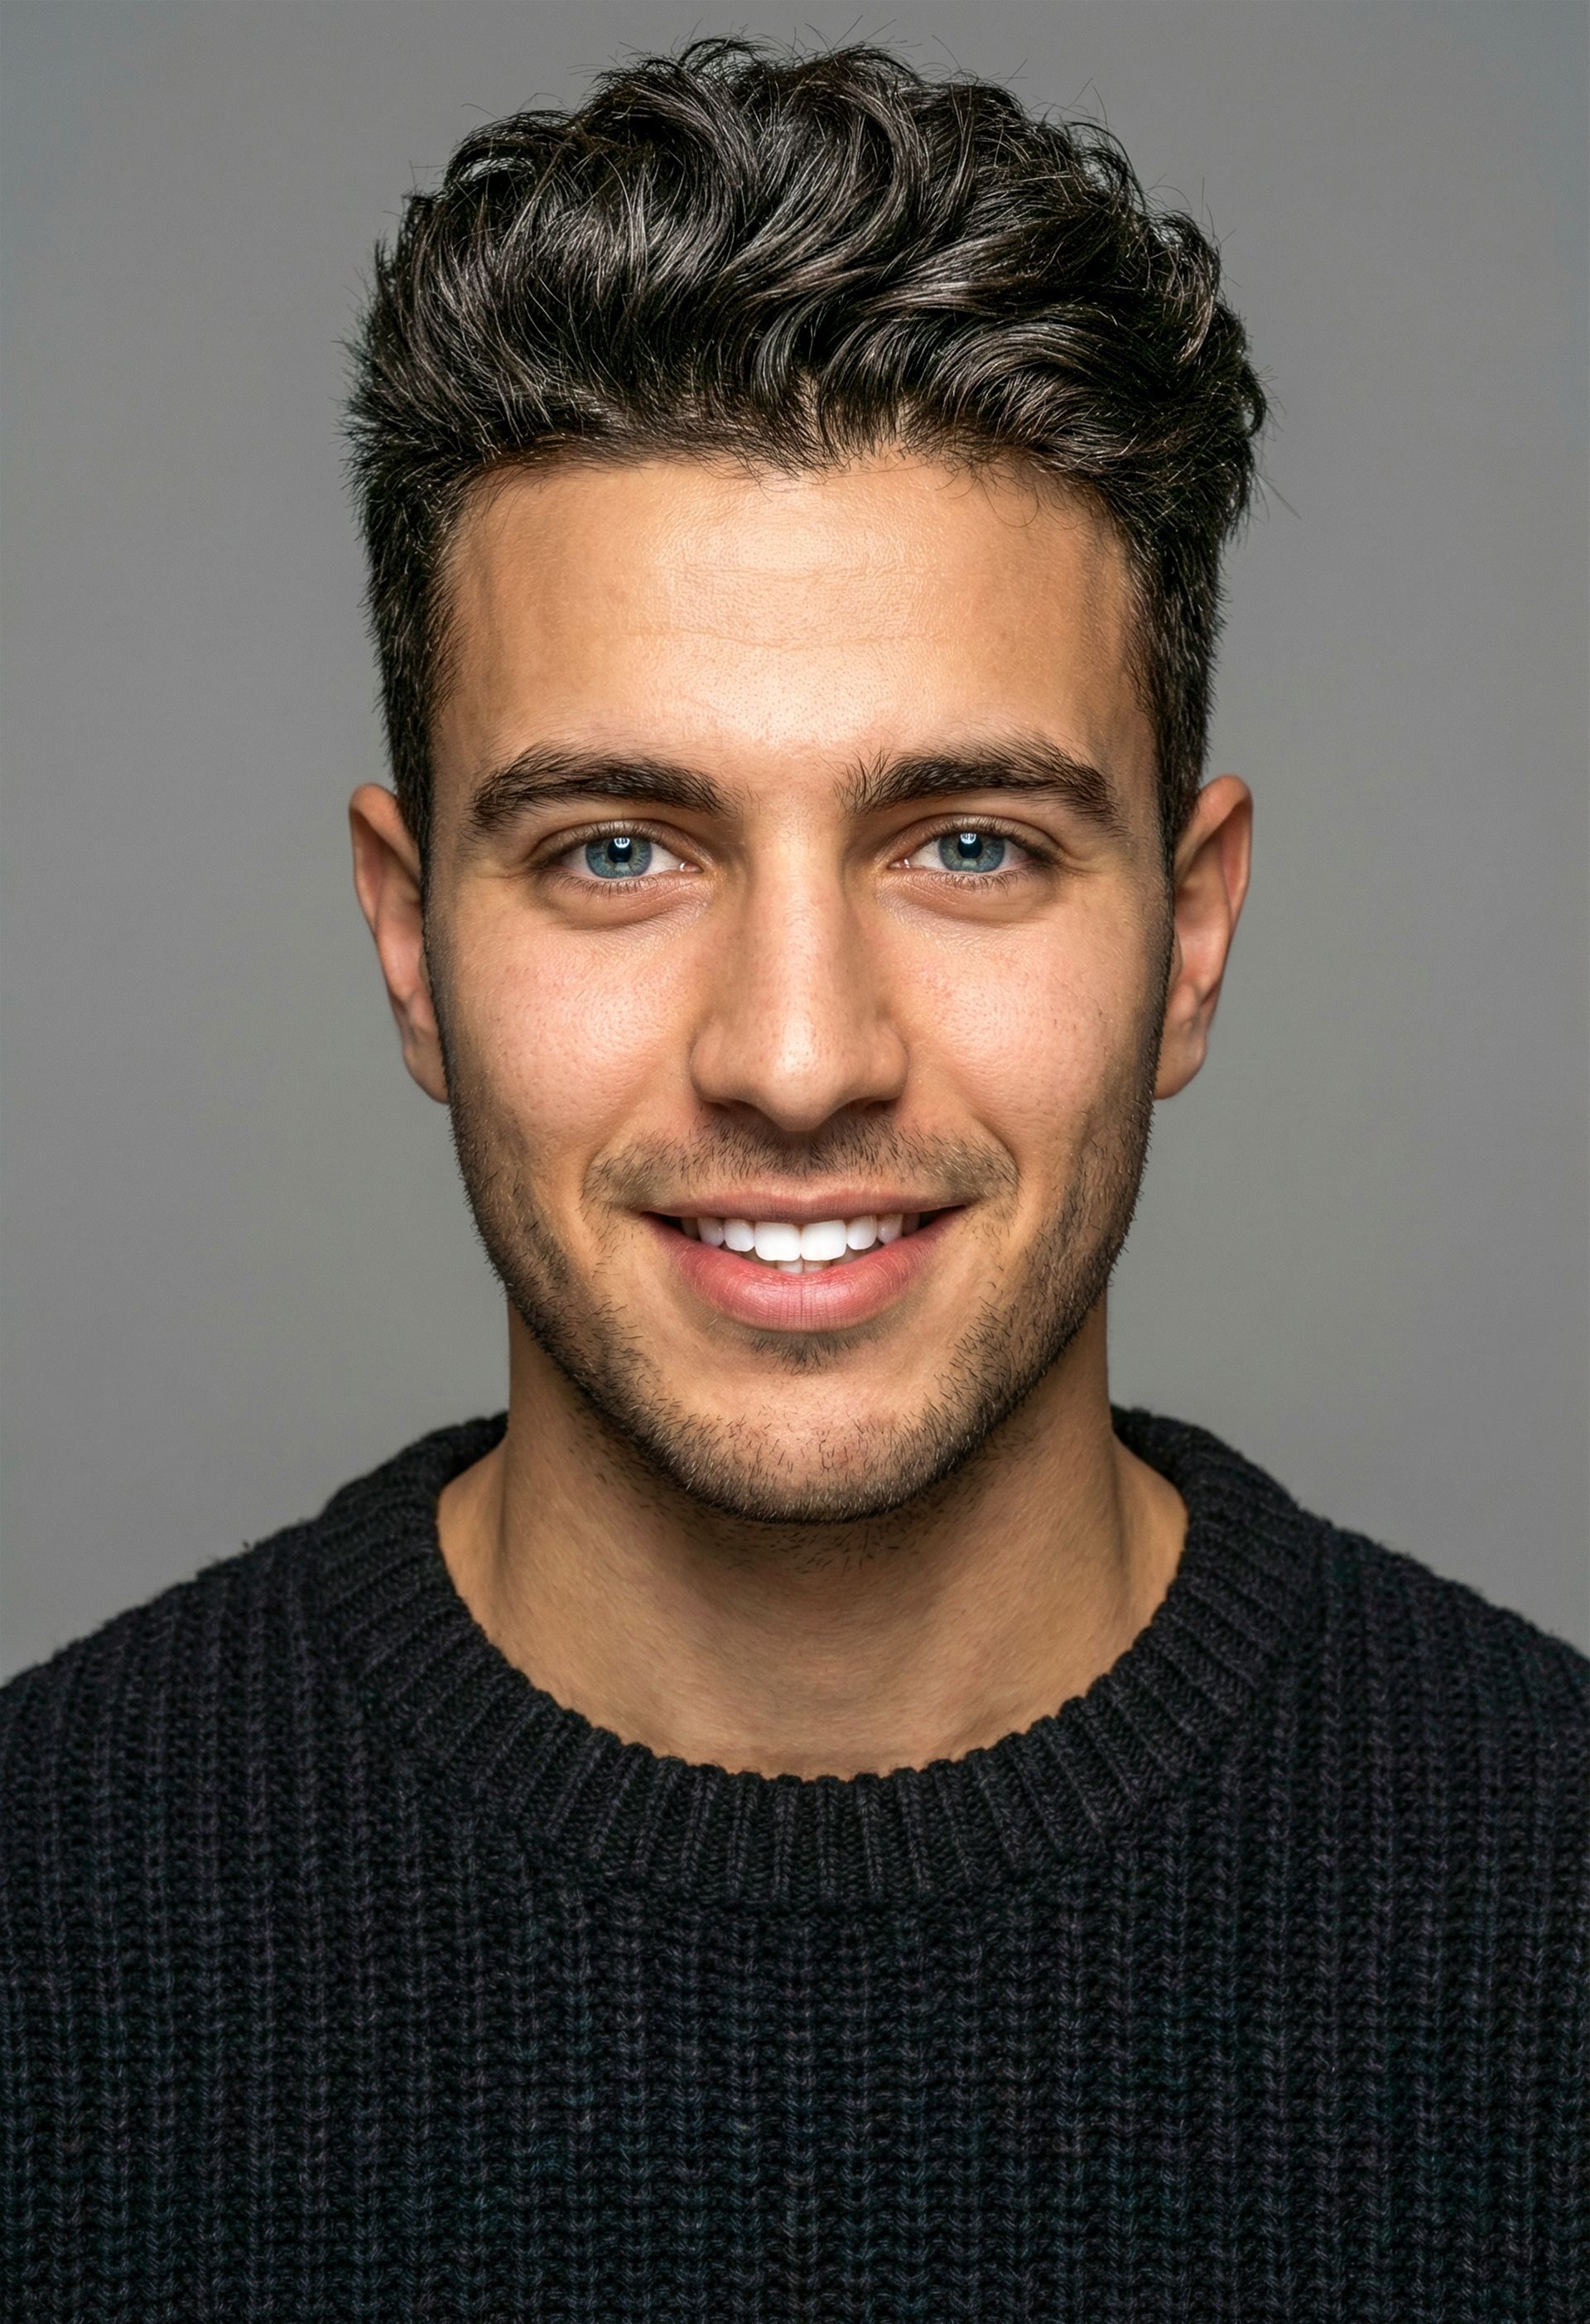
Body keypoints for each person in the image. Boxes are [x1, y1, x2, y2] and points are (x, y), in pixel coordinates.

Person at [2, 37, 1584, 2320]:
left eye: (968, 844)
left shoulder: (1552, 1923)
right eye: (619, 850)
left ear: (1193, 931)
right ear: (409, 940)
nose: (798, 1056)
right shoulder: (49, 1925)